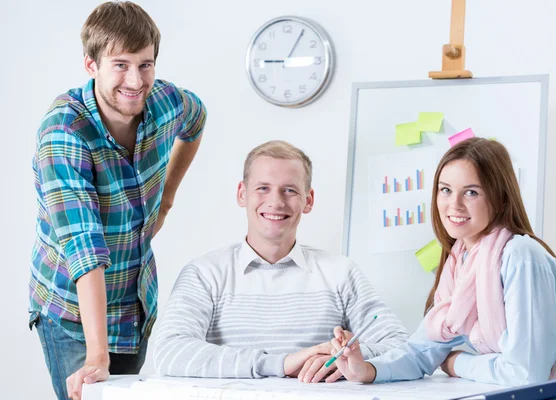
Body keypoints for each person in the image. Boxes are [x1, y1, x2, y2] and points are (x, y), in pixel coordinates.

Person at [28, 2, 207, 399]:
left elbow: (196, 120)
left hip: (134, 299)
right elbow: (84, 249)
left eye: (145, 65)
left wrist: (168, 198)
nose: (135, 80)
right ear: (91, 65)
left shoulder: (165, 102)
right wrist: (97, 356)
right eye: (121, 64)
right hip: (73, 313)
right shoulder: (64, 133)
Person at [331, 138, 556, 395]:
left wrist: (455, 363)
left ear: (500, 198)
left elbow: (527, 373)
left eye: (471, 192)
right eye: (446, 190)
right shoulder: (459, 260)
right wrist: (366, 370)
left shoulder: (521, 255)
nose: (454, 205)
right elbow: (423, 351)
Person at [153, 140, 408, 382]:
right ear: (242, 194)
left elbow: (402, 347)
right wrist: (281, 363)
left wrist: (347, 358)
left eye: (290, 190)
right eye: (263, 188)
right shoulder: (204, 273)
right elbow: (169, 352)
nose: (276, 201)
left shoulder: (341, 273)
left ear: (308, 200)